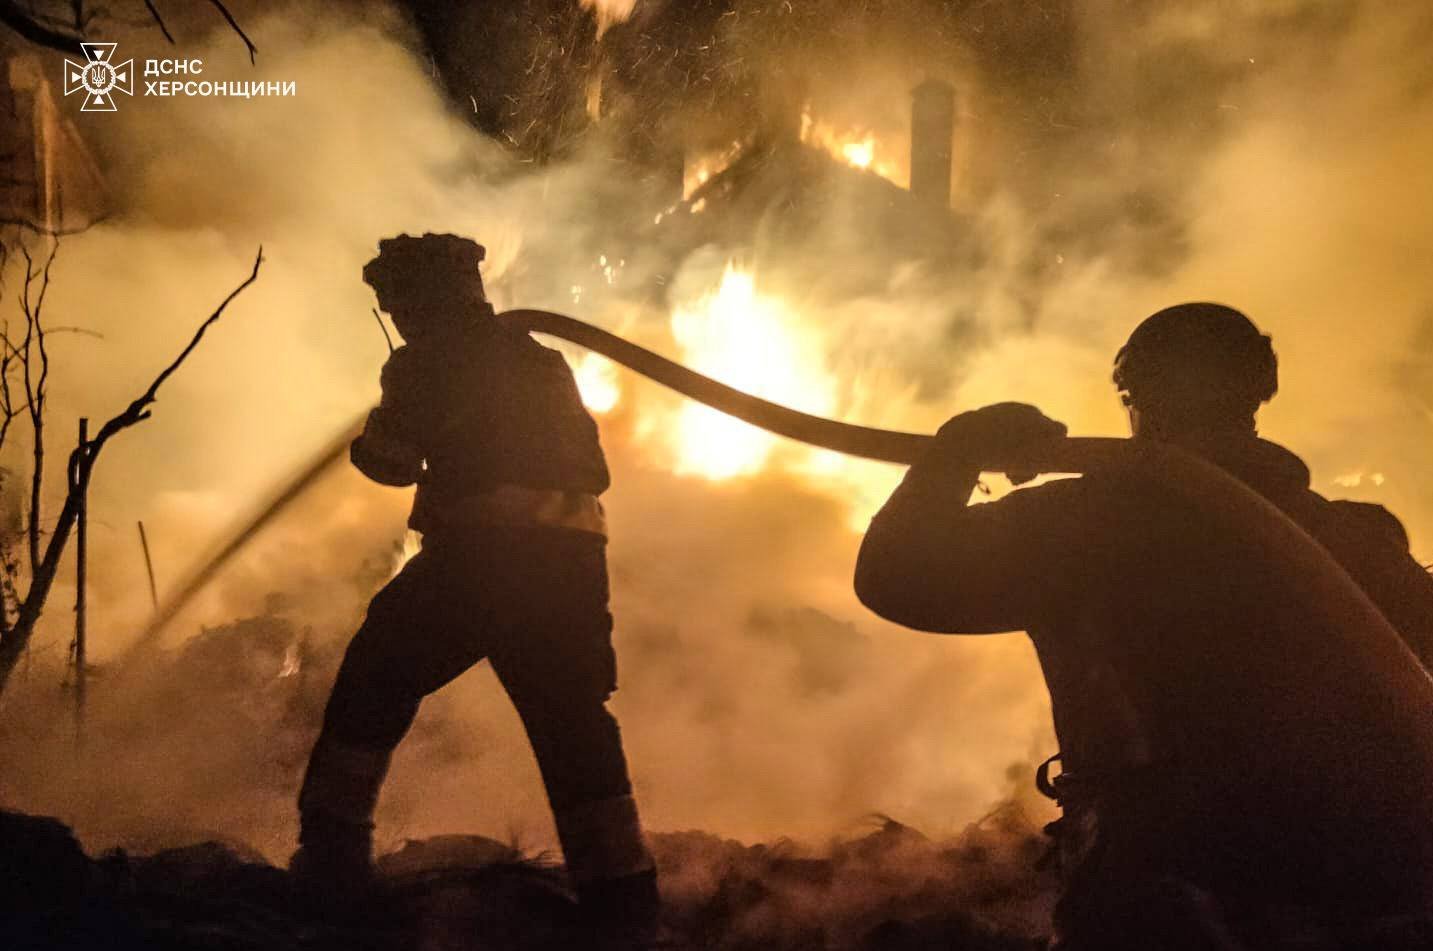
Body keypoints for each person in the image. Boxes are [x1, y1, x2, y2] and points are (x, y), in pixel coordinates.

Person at [854, 303, 1433, 949]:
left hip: (1165, 892)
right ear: (1261, 388)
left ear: (1132, 394)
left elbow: (897, 575)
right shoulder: (1357, 539)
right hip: (1369, 890)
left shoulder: (1085, 526)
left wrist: (958, 452)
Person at [292, 233, 658, 934]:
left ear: (417, 301)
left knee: (374, 677)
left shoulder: (422, 362)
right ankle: (623, 902)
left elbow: (391, 461)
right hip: (573, 564)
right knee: (573, 723)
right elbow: (589, 466)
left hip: (481, 560)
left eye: (396, 303)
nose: (396, 317)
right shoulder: (542, 360)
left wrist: (369, 444)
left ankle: (331, 861)